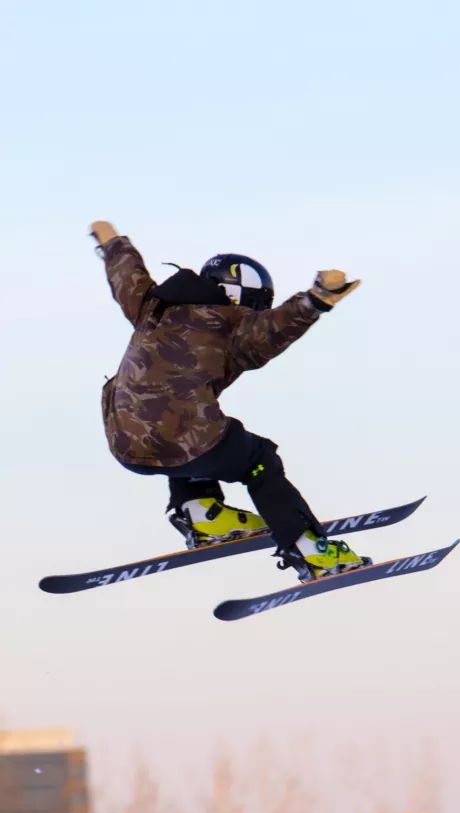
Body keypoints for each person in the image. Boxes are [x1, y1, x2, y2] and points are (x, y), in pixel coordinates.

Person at [90, 221, 370, 581]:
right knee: (259, 460)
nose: (257, 312)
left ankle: (201, 512)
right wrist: (316, 299)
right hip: (186, 437)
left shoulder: (152, 305)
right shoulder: (235, 325)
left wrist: (112, 242)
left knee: (186, 440)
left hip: (125, 442)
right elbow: (276, 327)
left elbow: (126, 275)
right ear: (240, 297)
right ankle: (312, 551)